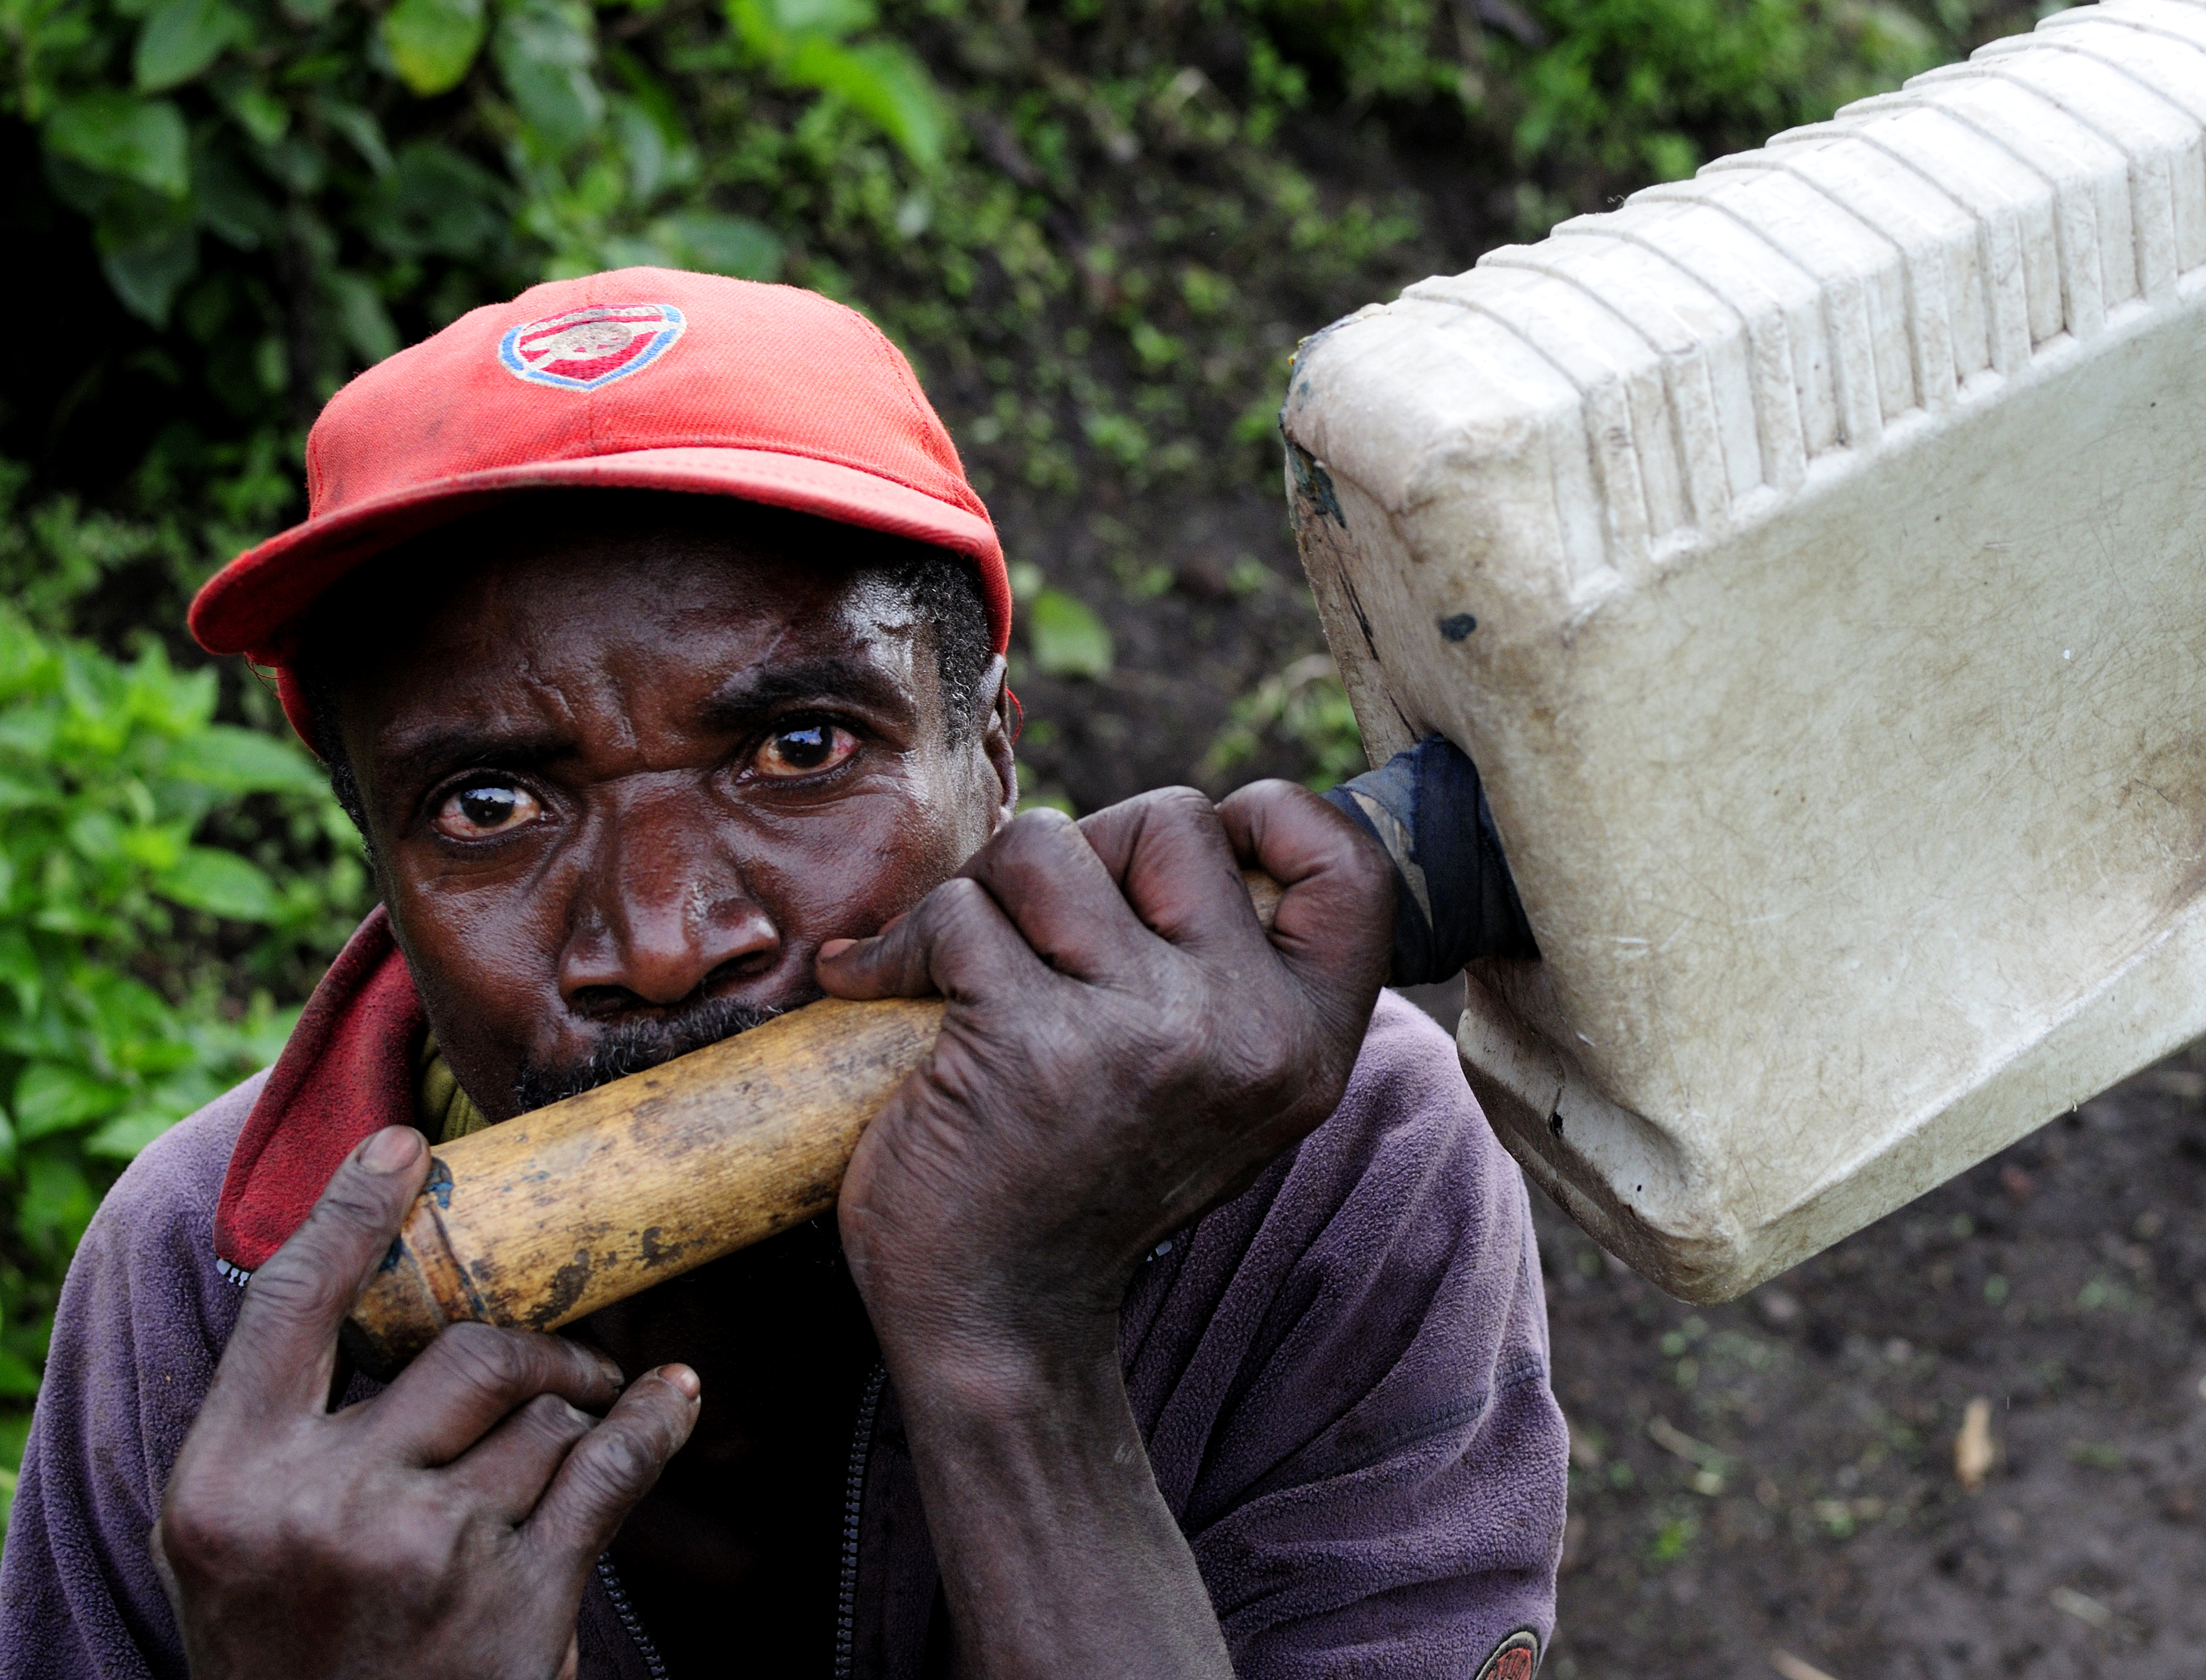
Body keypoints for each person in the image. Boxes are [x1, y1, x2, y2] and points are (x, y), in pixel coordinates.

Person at [0, 270, 1565, 1679]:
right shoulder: (204, 1302)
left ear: (995, 759)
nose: (666, 935)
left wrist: (1008, 1347)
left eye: (799, 749)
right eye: (489, 805)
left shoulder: (1326, 1166)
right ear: (380, 867)